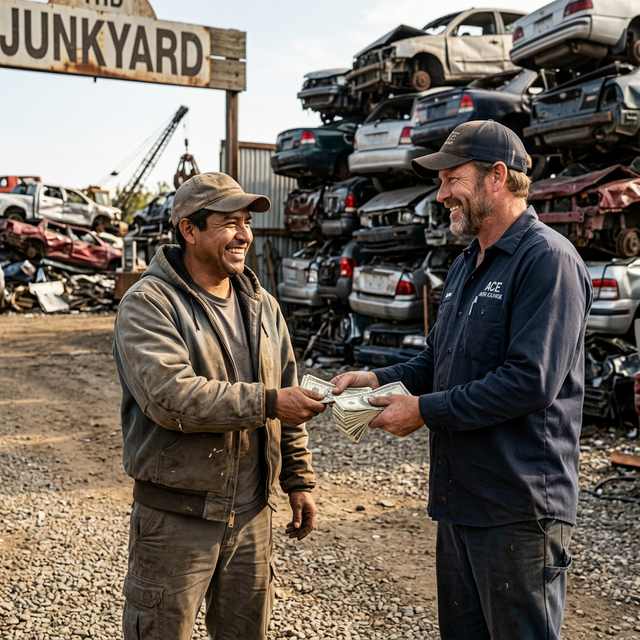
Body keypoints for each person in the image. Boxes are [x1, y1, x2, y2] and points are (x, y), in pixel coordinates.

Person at [332, 120, 592, 640]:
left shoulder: (548, 260)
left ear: (497, 176)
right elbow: (437, 363)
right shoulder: (465, 265)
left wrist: (422, 412)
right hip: (462, 501)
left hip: (519, 510)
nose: (441, 193)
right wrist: (374, 378)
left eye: (452, 178)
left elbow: (529, 381)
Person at [113, 172, 326, 640]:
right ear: (189, 230)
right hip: (177, 520)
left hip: (252, 516)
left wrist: (298, 479)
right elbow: (171, 397)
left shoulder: (262, 305)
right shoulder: (149, 304)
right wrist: (269, 402)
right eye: (230, 222)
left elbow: (287, 388)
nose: (244, 235)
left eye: (247, 222)